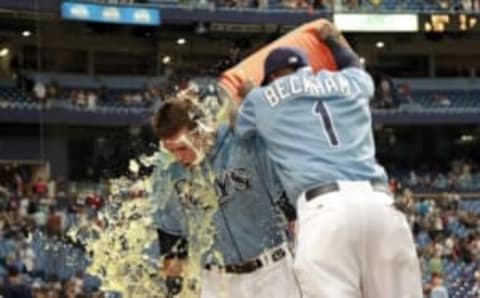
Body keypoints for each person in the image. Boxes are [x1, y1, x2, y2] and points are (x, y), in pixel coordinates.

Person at [234, 21, 422, 298]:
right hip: (381, 205)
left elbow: (239, 128)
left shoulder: (261, 98)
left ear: (273, 76)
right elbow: (353, 64)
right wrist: (333, 40)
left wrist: (249, 94)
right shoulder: (352, 81)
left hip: (324, 210)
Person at [150, 82, 300, 298]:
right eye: (171, 150)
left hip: (271, 272)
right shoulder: (167, 173)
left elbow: (290, 207)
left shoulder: (244, 143)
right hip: (216, 282)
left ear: (200, 129)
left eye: (182, 147)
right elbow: (172, 241)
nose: (178, 157)